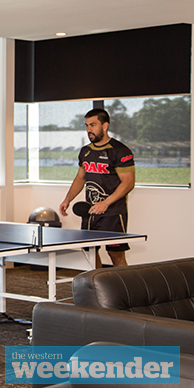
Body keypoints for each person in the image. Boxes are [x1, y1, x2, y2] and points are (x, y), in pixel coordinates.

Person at [59, 108, 135, 268]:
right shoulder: (85, 151)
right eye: (87, 125)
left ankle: (126, 291)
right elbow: (81, 178)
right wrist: (68, 199)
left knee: (116, 255)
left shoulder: (120, 151)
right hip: (90, 212)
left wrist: (105, 203)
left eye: (93, 125)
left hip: (113, 213)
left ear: (105, 126)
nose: (89, 130)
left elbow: (128, 183)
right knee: (90, 252)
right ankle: (99, 289)